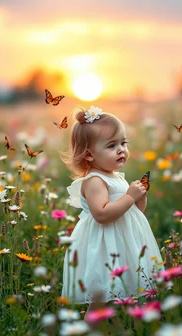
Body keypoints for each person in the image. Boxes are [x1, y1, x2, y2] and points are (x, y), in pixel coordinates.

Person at [61, 106, 164, 311]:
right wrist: (129, 197)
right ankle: (91, 332)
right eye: (111, 145)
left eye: (123, 143)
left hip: (124, 240)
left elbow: (134, 212)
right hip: (104, 244)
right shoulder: (94, 181)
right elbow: (101, 214)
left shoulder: (116, 177)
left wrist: (139, 198)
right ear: (89, 155)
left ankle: (120, 329)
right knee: (101, 294)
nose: (121, 150)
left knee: (126, 291)